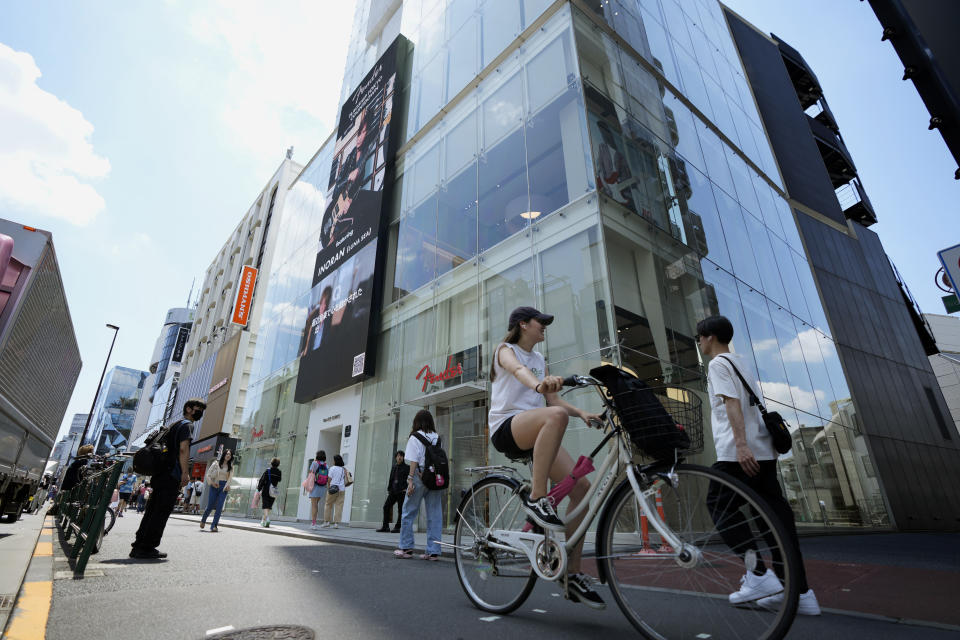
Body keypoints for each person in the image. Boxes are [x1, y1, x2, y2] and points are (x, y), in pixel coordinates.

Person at [695, 315, 820, 616]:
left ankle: (759, 575)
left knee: (719, 506)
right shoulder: (742, 363)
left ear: (709, 337)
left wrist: (740, 444)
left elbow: (732, 403)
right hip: (765, 454)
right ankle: (801, 594)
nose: (698, 343)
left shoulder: (718, 364)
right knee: (774, 524)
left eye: (699, 338)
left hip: (739, 455)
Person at [486, 306, 605, 609]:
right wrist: (538, 384)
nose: (545, 327)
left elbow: (554, 401)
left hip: (537, 429)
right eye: (542, 322)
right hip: (507, 427)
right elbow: (517, 371)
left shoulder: (539, 359)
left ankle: (573, 574)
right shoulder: (506, 350)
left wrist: (581, 413)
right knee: (554, 418)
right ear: (523, 324)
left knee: (583, 491)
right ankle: (539, 499)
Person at [129, 399, 203, 560]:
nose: (200, 412)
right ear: (189, 409)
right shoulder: (187, 425)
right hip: (171, 474)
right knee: (160, 512)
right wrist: (185, 472)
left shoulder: (175, 424)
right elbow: (183, 449)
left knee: (152, 510)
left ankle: (139, 545)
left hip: (161, 473)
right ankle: (147, 547)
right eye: (198, 408)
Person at [394, 411, 443, 560]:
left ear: (416, 422)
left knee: (408, 512)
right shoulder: (437, 437)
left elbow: (413, 460)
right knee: (435, 514)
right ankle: (433, 551)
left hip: (419, 476)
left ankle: (406, 548)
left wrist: (410, 479)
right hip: (434, 477)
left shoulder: (415, 437)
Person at [200, 448, 234, 533]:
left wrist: (227, 485)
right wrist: (212, 483)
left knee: (219, 507)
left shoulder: (231, 466)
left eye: (230, 454)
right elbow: (208, 475)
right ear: (224, 455)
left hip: (224, 487)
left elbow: (230, 478)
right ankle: (203, 519)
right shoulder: (216, 463)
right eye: (227, 454)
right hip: (215, 485)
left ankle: (214, 525)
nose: (228, 456)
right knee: (210, 506)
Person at [376, 451, 407, 533]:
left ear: (403, 457)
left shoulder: (407, 467)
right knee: (386, 507)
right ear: (395, 457)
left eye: (401, 456)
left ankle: (398, 527)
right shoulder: (394, 467)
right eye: (398, 456)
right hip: (393, 491)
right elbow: (391, 478)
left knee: (400, 510)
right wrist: (389, 489)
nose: (399, 457)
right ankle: (385, 527)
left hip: (401, 491)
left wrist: (406, 488)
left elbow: (410, 479)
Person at [321, 454, 347, 529]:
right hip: (341, 489)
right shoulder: (343, 469)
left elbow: (329, 479)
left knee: (328, 504)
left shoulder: (332, 468)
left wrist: (329, 487)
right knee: (339, 506)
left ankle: (327, 522)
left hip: (333, 489)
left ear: (335, 461)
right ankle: (336, 524)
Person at [257, 458, 282, 527]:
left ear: (271, 463)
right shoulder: (279, 472)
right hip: (273, 491)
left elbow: (262, 480)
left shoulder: (268, 471)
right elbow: (279, 480)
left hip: (266, 490)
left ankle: (267, 518)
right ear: (278, 464)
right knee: (269, 506)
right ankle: (263, 521)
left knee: (265, 505)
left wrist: (258, 489)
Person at [307, 451, 328, 530]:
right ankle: (314, 522)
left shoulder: (315, 463)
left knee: (314, 505)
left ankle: (313, 523)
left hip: (315, 486)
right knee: (316, 504)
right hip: (322, 487)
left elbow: (310, 473)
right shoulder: (326, 465)